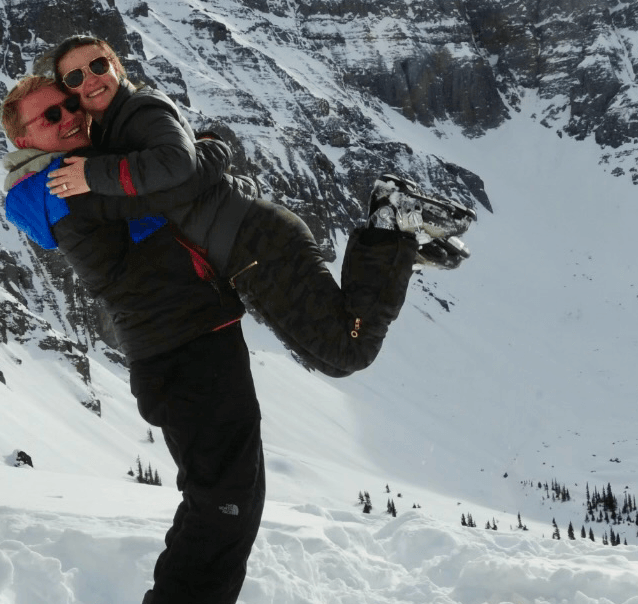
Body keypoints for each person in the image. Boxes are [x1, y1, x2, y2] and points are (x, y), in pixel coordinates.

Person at [0, 75, 261, 604]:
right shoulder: (64, 188)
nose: (68, 116)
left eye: (69, 105)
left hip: (197, 336)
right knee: (222, 497)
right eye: (49, 116)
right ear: (23, 138)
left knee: (231, 493)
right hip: (180, 349)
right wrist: (212, 149)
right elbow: (182, 180)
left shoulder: (88, 171)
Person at [39, 35, 476, 380]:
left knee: (348, 350)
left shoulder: (140, 109)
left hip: (255, 240)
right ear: (69, 93)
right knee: (335, 361)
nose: (91, 79)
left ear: (116, 65)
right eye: (75, 78)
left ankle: (390, 220)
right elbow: (184, 176)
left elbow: (176, 163)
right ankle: (391, 255)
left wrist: (94, 177)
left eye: (98, 65)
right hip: (245, 253)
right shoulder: (114, 132)